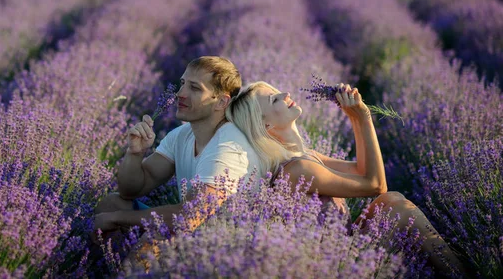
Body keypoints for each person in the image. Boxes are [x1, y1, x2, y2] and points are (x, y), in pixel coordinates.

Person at [226, 81, 469, 278]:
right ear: (265, 124)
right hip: (337, 266)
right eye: (273, 99)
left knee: (392, 202)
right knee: (396, 205)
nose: (286, 94)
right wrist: (363, 118)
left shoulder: (305, 156)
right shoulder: (297, 170)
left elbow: (363, 169)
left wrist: (355, 117)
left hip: (345, 249)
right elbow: (376, 184)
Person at [91, 56, 263, 245]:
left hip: (220, 248)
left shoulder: (228, 147)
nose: (180, 93)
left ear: (221, 102)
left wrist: (117, 219)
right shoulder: (182, 134)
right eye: (182, 84)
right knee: (112, 204)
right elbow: (130, 190)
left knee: (154, 237)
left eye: (195, 88)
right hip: (190, 233)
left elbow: (189, 216)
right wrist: (135, 153)